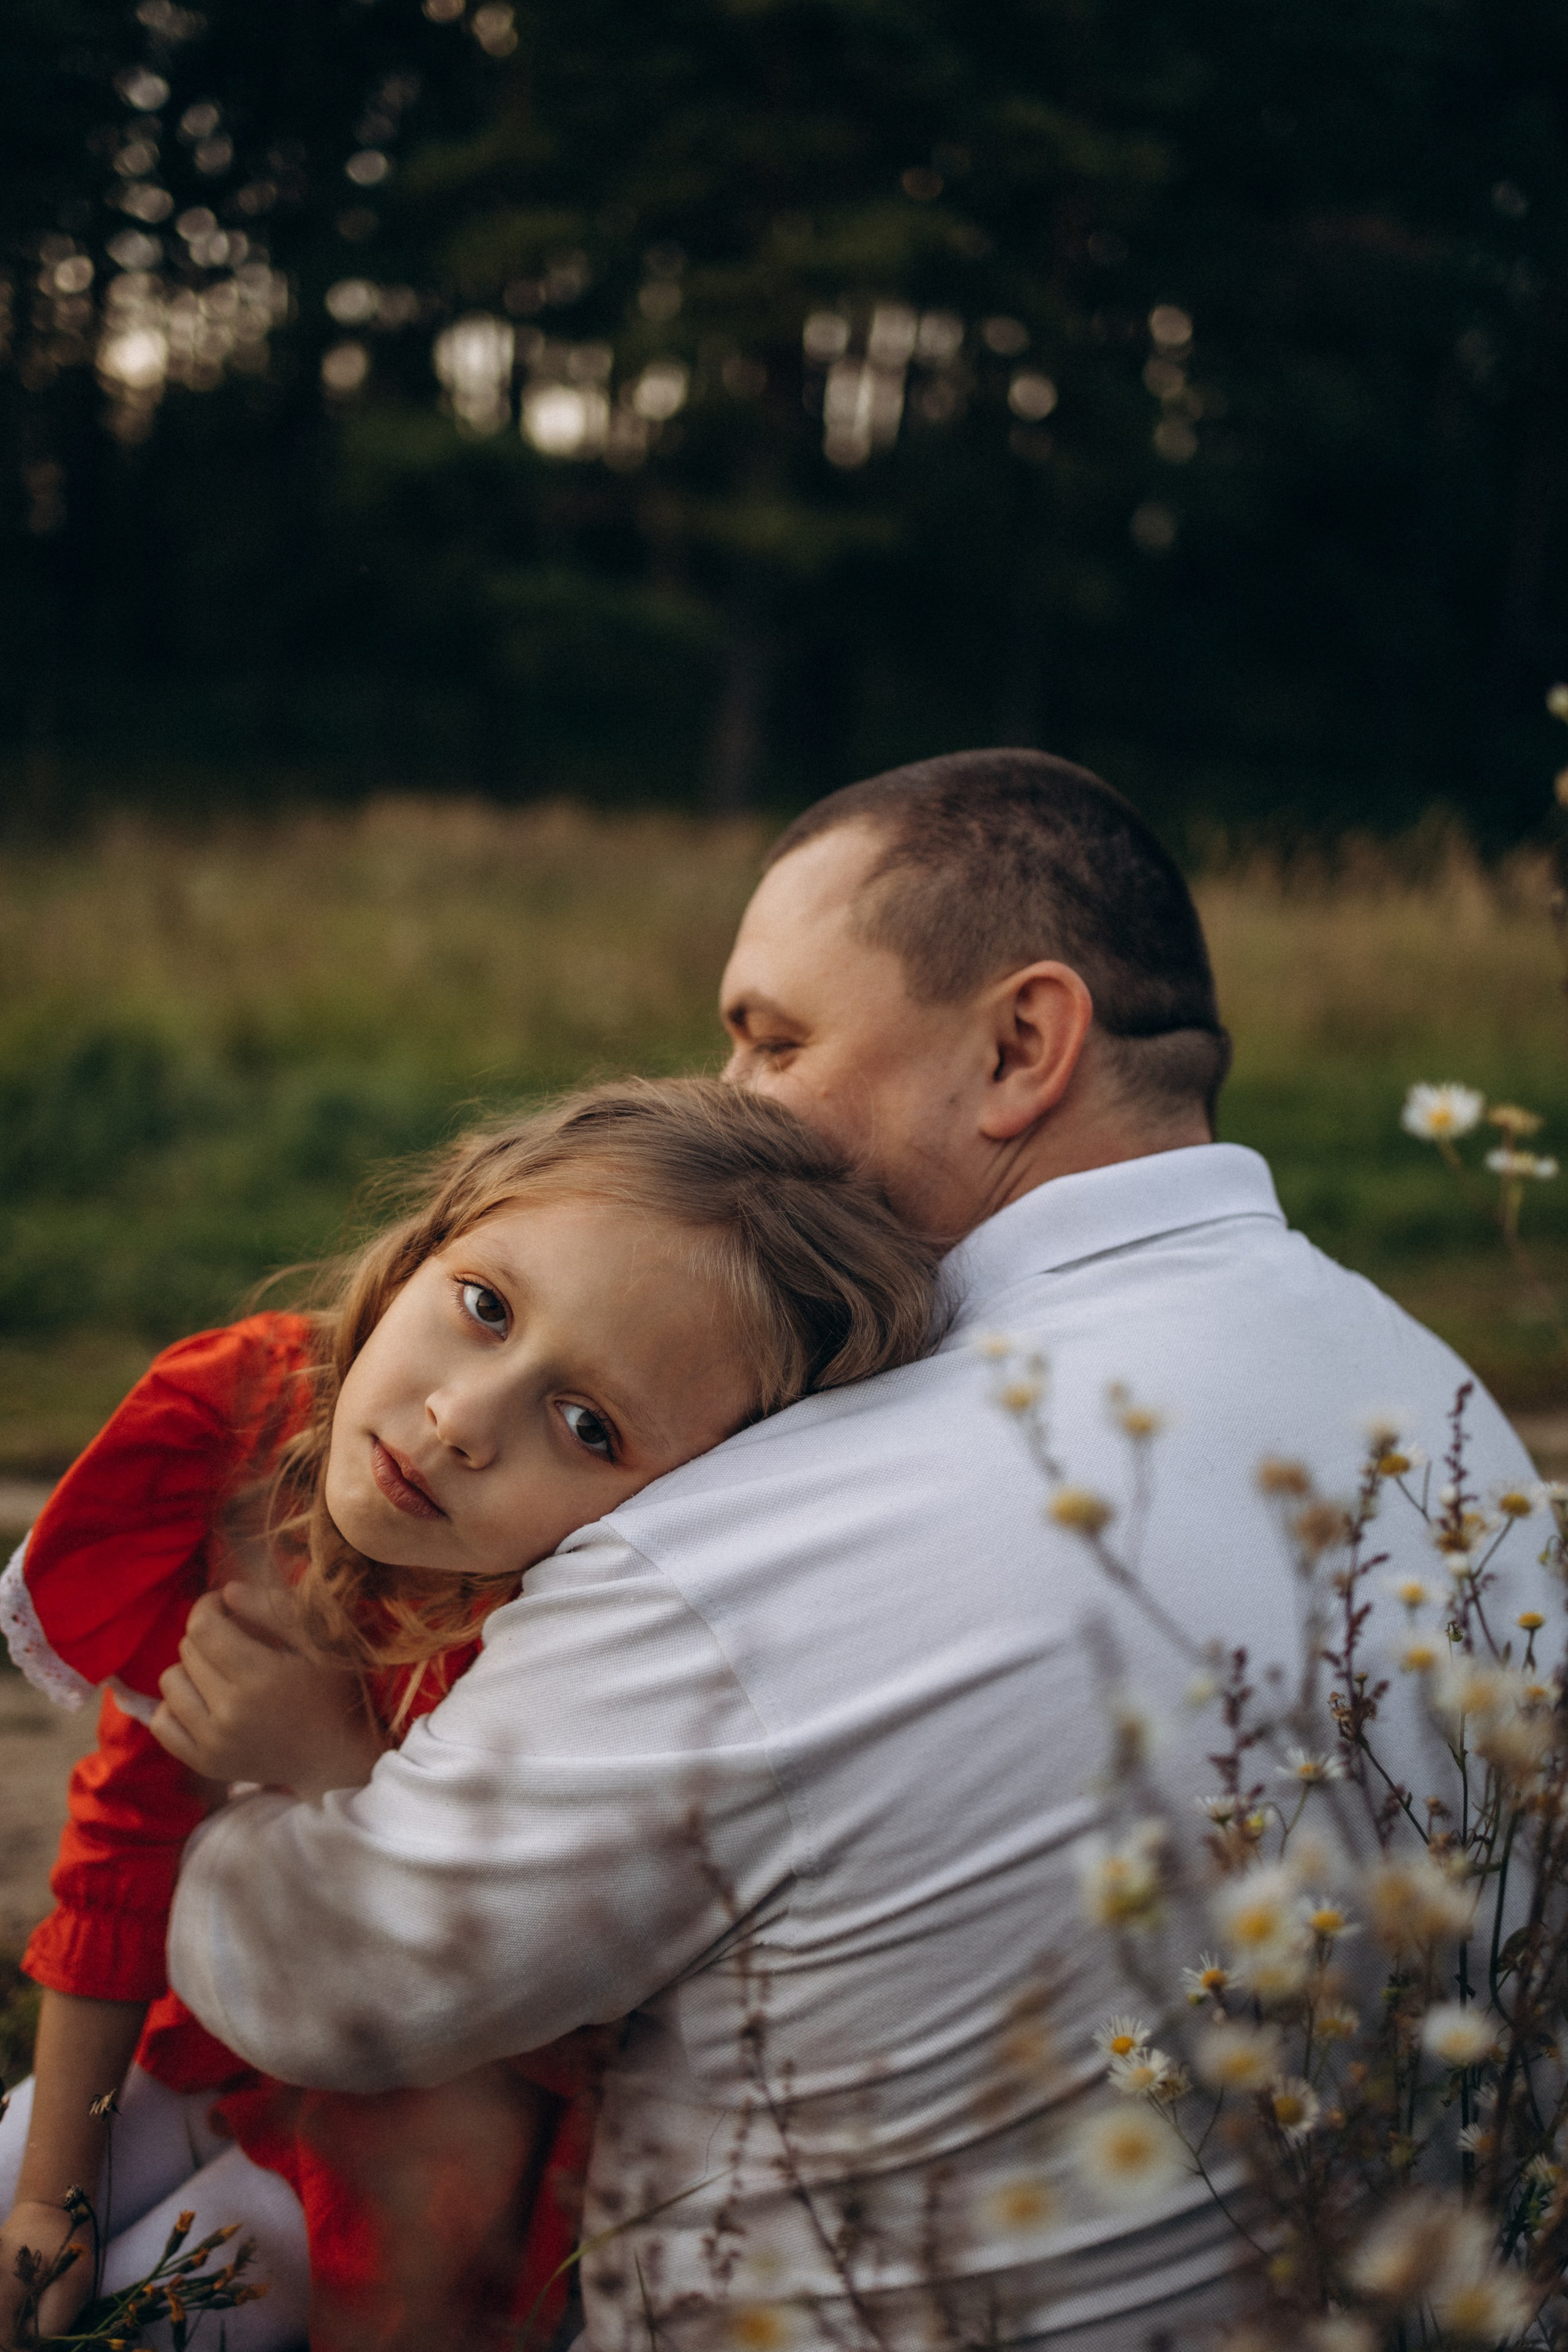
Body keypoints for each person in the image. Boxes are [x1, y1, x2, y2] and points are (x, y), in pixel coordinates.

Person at [164, 749, 1539, 2350]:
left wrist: (282, 1780)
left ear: (1022, 1046)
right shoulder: (1446, 1422)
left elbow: (325, 1981)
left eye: (775, 1040)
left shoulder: (770, 1518)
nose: (733, 1097)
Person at [0, 1080, 938, 2352]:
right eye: (485, 1306)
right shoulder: (259, 1431)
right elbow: (126, 1842)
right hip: (199, 2039)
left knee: (161, 2313)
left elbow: (534, 2022)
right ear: (434, 1236)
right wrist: (52, 2194)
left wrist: (336, 1767)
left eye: (587, 1426)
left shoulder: (581, 1660)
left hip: (416, 2157)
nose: (457, 1421)